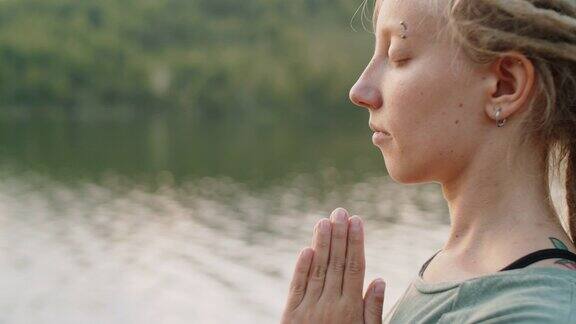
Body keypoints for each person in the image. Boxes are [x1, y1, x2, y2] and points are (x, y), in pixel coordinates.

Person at [280, 0, 576, 323]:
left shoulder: (537, 313)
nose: (360, 90)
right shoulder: (455, 270)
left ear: (505, 85)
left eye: (397, 56)